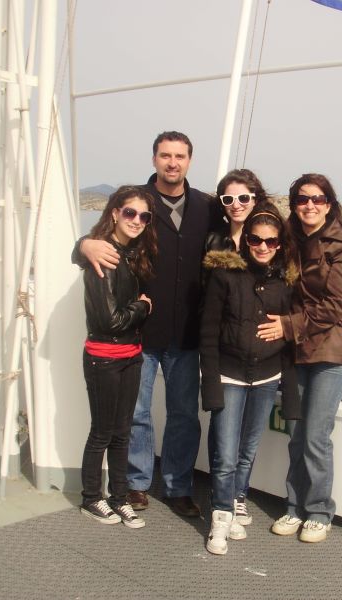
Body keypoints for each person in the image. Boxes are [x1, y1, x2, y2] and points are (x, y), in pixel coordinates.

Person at [73, 131, 217, 518]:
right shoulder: (138, 202)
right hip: (140, 332)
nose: (173, 162)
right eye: (165, 155)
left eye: (180, 156)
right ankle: (136, 485)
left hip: (187, 332)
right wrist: (83, 245)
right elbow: (104, 237)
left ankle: (178, 487)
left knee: (184, 415)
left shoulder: (205, 206)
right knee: (135, 415)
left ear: (189, 160)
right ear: (154, 159)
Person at [258, 173, 342, 543]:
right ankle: (293, 506)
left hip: (332, 350)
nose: (310, 205)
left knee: (315, 434)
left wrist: (288, 326)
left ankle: (318, 511)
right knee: (295, 432)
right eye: (302, 199)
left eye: (318, 199)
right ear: (294, 204)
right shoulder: (286, 241)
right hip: (296, 349)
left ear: (329, 204)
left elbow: (335, 305)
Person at [200, 202, 300, 555]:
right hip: (230, 374)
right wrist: (210, 385)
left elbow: (290, 338)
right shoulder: (224, 276)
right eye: (256, 239)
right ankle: (221, 516)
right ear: (246, 242)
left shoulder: (285, 282)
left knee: (247, 450)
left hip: (267, 377)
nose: (262, 246)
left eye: (270, 241)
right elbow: (208, 332)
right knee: (226, 454)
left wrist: (290, 392)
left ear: (279, 245)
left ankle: (236, 499)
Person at [78, 185, 156, 528]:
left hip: (130, 355)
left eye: (144, 216)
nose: (136, 220)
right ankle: (91, 498)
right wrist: (143, 306)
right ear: (114, 213)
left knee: (123, 431)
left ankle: (119, 497)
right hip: (105, 358)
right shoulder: (104, 255)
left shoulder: (133, 253)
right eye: (130, 213)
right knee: (103, 432)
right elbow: (111, 320)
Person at [204, 168, 266, 252]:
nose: (236, 205)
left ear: (256, 200)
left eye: (243, 198)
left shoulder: (268, 243)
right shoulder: (211, 241)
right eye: (228, 199)